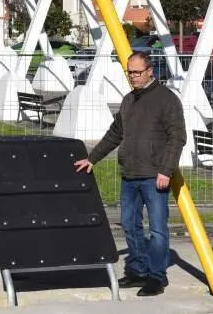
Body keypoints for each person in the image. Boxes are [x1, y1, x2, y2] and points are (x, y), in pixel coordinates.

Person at [74, 51, 186, 297]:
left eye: (137, 72)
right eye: (130, 72)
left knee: (157, 229)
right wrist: (92, 158)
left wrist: (166, 170)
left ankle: (157, 276)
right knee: (129, 225)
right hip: (130, 174)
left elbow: (177, 137)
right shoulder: (128, 100)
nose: (133, 77)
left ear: (150, 71)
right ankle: (138, 270)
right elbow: (115, 133)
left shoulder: (167, 99)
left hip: (154, 176)